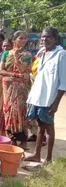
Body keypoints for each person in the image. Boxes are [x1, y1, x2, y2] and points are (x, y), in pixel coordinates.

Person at [25, 26, 66, 165]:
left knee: (49, 127)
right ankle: (36, 154)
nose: (44, 39)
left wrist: (56, 103)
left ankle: (48, 159)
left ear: (55, 39)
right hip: (38, 96)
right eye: (43, 36)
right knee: (40, 125)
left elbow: (63, 83)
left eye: (48, 37)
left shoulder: (61, 55)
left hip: (49, 98)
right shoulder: (42, 53)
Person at [0, 31, 32, 149]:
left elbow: (22, 69)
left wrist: (16, 57)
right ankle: (12, 139)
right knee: (8, 111)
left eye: (25, 38)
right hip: (7, 87)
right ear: (14, 40)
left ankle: (23, 141)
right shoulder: (6, 54)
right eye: (21, 38)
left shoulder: (27, 55)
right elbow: (0, 71)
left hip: (21, 90)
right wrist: (15, 75)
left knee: (20, 111)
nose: (23, 40)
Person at [0, 38, 13, 134]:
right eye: (4, 46)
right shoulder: (3, 56)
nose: (5, 48)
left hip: (11, 86)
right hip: (0, 85)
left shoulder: (14, 56)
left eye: (8, 46)